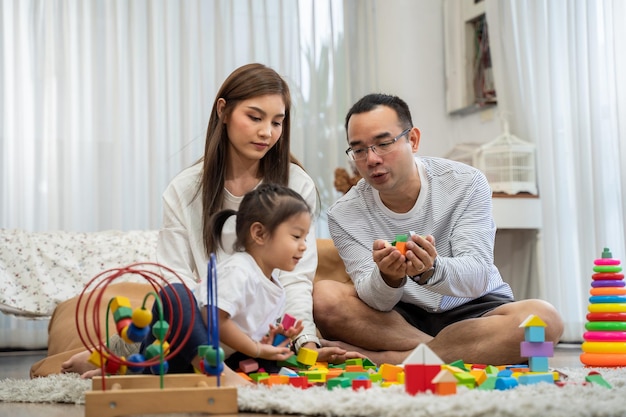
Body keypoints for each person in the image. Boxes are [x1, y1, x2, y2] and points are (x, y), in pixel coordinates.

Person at [61, 62, 354, 379]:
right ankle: (128, 356)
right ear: (223, 111)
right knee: (174, 295)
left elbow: (297, 278)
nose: (266, 132)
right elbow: (176, 281)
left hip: (252, 340)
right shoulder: (185, 190)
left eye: (277, 122)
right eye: (255, 117)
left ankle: (125, 361)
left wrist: (305, 342)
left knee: (188, 336)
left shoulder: (295, 186)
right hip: (196, 331)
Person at [313, 93, 564, 366]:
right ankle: (443, 353)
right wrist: (388, 277)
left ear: (413, 140)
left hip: (475, 309)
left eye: (383, 143)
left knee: (546, 321)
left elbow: (478, 275)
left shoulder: (466, 183)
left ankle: (391, 359)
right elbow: (376, 300)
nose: (371, 159)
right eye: (359, 150)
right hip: (397, 320)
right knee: (324, 297)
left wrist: (431, 270)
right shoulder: (343, 213)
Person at [203, 182, 309, 372]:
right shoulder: (239, 271)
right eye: (296, 236)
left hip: (226, 357)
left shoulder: (275, 287)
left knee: (273, 367)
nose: (304, 246)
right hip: (191, 348)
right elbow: (213, 318)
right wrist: (256, 348)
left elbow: (246, 333)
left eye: (305, 238)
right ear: (259, 233)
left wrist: (271, 340)